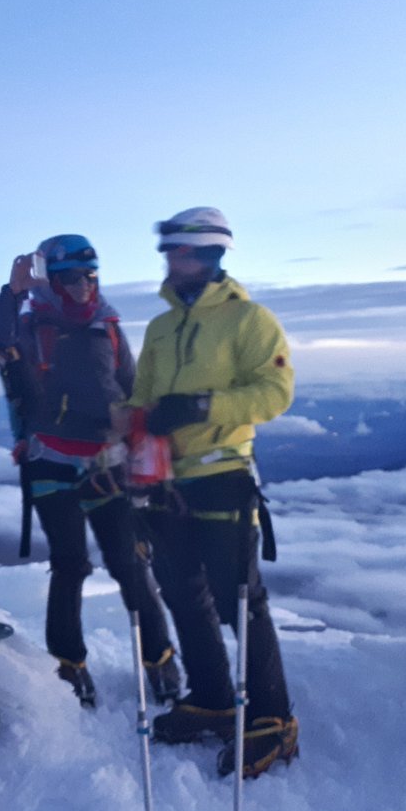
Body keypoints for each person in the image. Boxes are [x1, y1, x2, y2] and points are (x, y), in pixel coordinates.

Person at [123, 206, 299, 778]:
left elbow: (274, 393)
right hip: (165, 482)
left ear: (210, 256)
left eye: (182, 252)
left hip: (223, 473)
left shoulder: (249, 320)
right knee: (183, 593)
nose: (172, 262)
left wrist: (203, 407)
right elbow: (142, 402)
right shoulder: (160, 329)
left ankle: (274, 721)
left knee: (239, 600)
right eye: (170, 252)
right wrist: (118, 440)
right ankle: (215, 698)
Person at [0, 234, 181, 708]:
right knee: (70, 565)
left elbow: (130, 388)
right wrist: (12, 293)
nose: (81, 287)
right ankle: (70, 666)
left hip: (106, 463)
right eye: (70, 278)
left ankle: (161, 661)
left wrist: (145, 453)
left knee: (130, 563)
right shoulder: (29, 325)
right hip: (49, 460)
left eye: (90, 277)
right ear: (50, 281)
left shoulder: (107, 326)